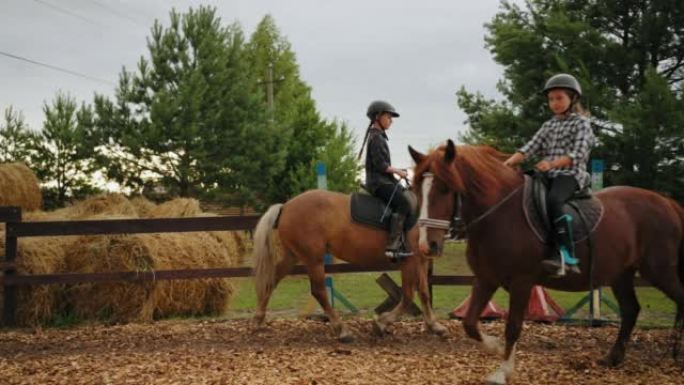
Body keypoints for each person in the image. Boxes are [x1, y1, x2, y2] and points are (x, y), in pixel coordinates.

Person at [503, 73, 595, 276]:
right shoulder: (549, 125)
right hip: (548, 175)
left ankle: (567, 255)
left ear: (572, 98)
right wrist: (507, 163)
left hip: (570, 175)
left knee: (554, 200)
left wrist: (551, 163)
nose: (555, 103)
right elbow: (530, 147)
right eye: (551, 99)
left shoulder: (582, 124)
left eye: (559, 98)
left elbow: (578, 154)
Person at [364, 100, 413, 261]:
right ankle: (393, 246)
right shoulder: (377, 138)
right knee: (404, 203)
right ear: (378, 117)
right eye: (388, 116)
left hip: (384, 180)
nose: (391, 120)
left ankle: (402, 242)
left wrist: (398, 173)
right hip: (379, 183)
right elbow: (381, 165)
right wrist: (398, 171)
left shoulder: (378, 136)